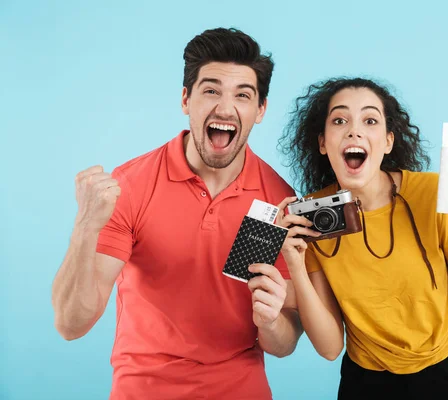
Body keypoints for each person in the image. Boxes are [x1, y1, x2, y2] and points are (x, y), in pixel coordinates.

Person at [51, 28, 303, 400]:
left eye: (243, 95)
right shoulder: (133, 185)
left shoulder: (275, 200)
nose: (225, 107)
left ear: (260, 110)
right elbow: (71, 324)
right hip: (143, 389)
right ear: (186, 99)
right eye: (211, 90)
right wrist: (84, 229)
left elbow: (285, 343)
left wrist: (269, 323)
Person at [277, 77, 448, 399]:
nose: (354, 131)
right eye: (339, 120)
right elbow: (329, 348)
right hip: (367, 382)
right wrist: (296, 264)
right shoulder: (313, 220)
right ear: (323, 142)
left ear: (387, 141)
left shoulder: (431, 195)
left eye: (369, 120)